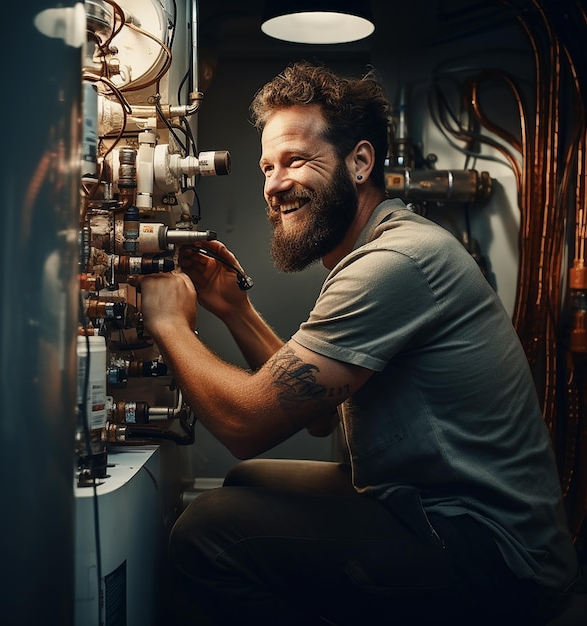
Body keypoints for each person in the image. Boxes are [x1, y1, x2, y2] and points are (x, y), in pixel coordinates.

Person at [139, 61, 579, 625]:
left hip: (496, 555)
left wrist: (169, 322)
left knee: (211, 531)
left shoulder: (394, 263)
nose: (273, 185)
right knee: (248, 485)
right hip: (426, 508)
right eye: (266, 167)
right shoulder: (378, 248)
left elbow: (246, 425)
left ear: (361, 161)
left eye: (296, 160)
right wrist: (233, 307)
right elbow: (318, 416)